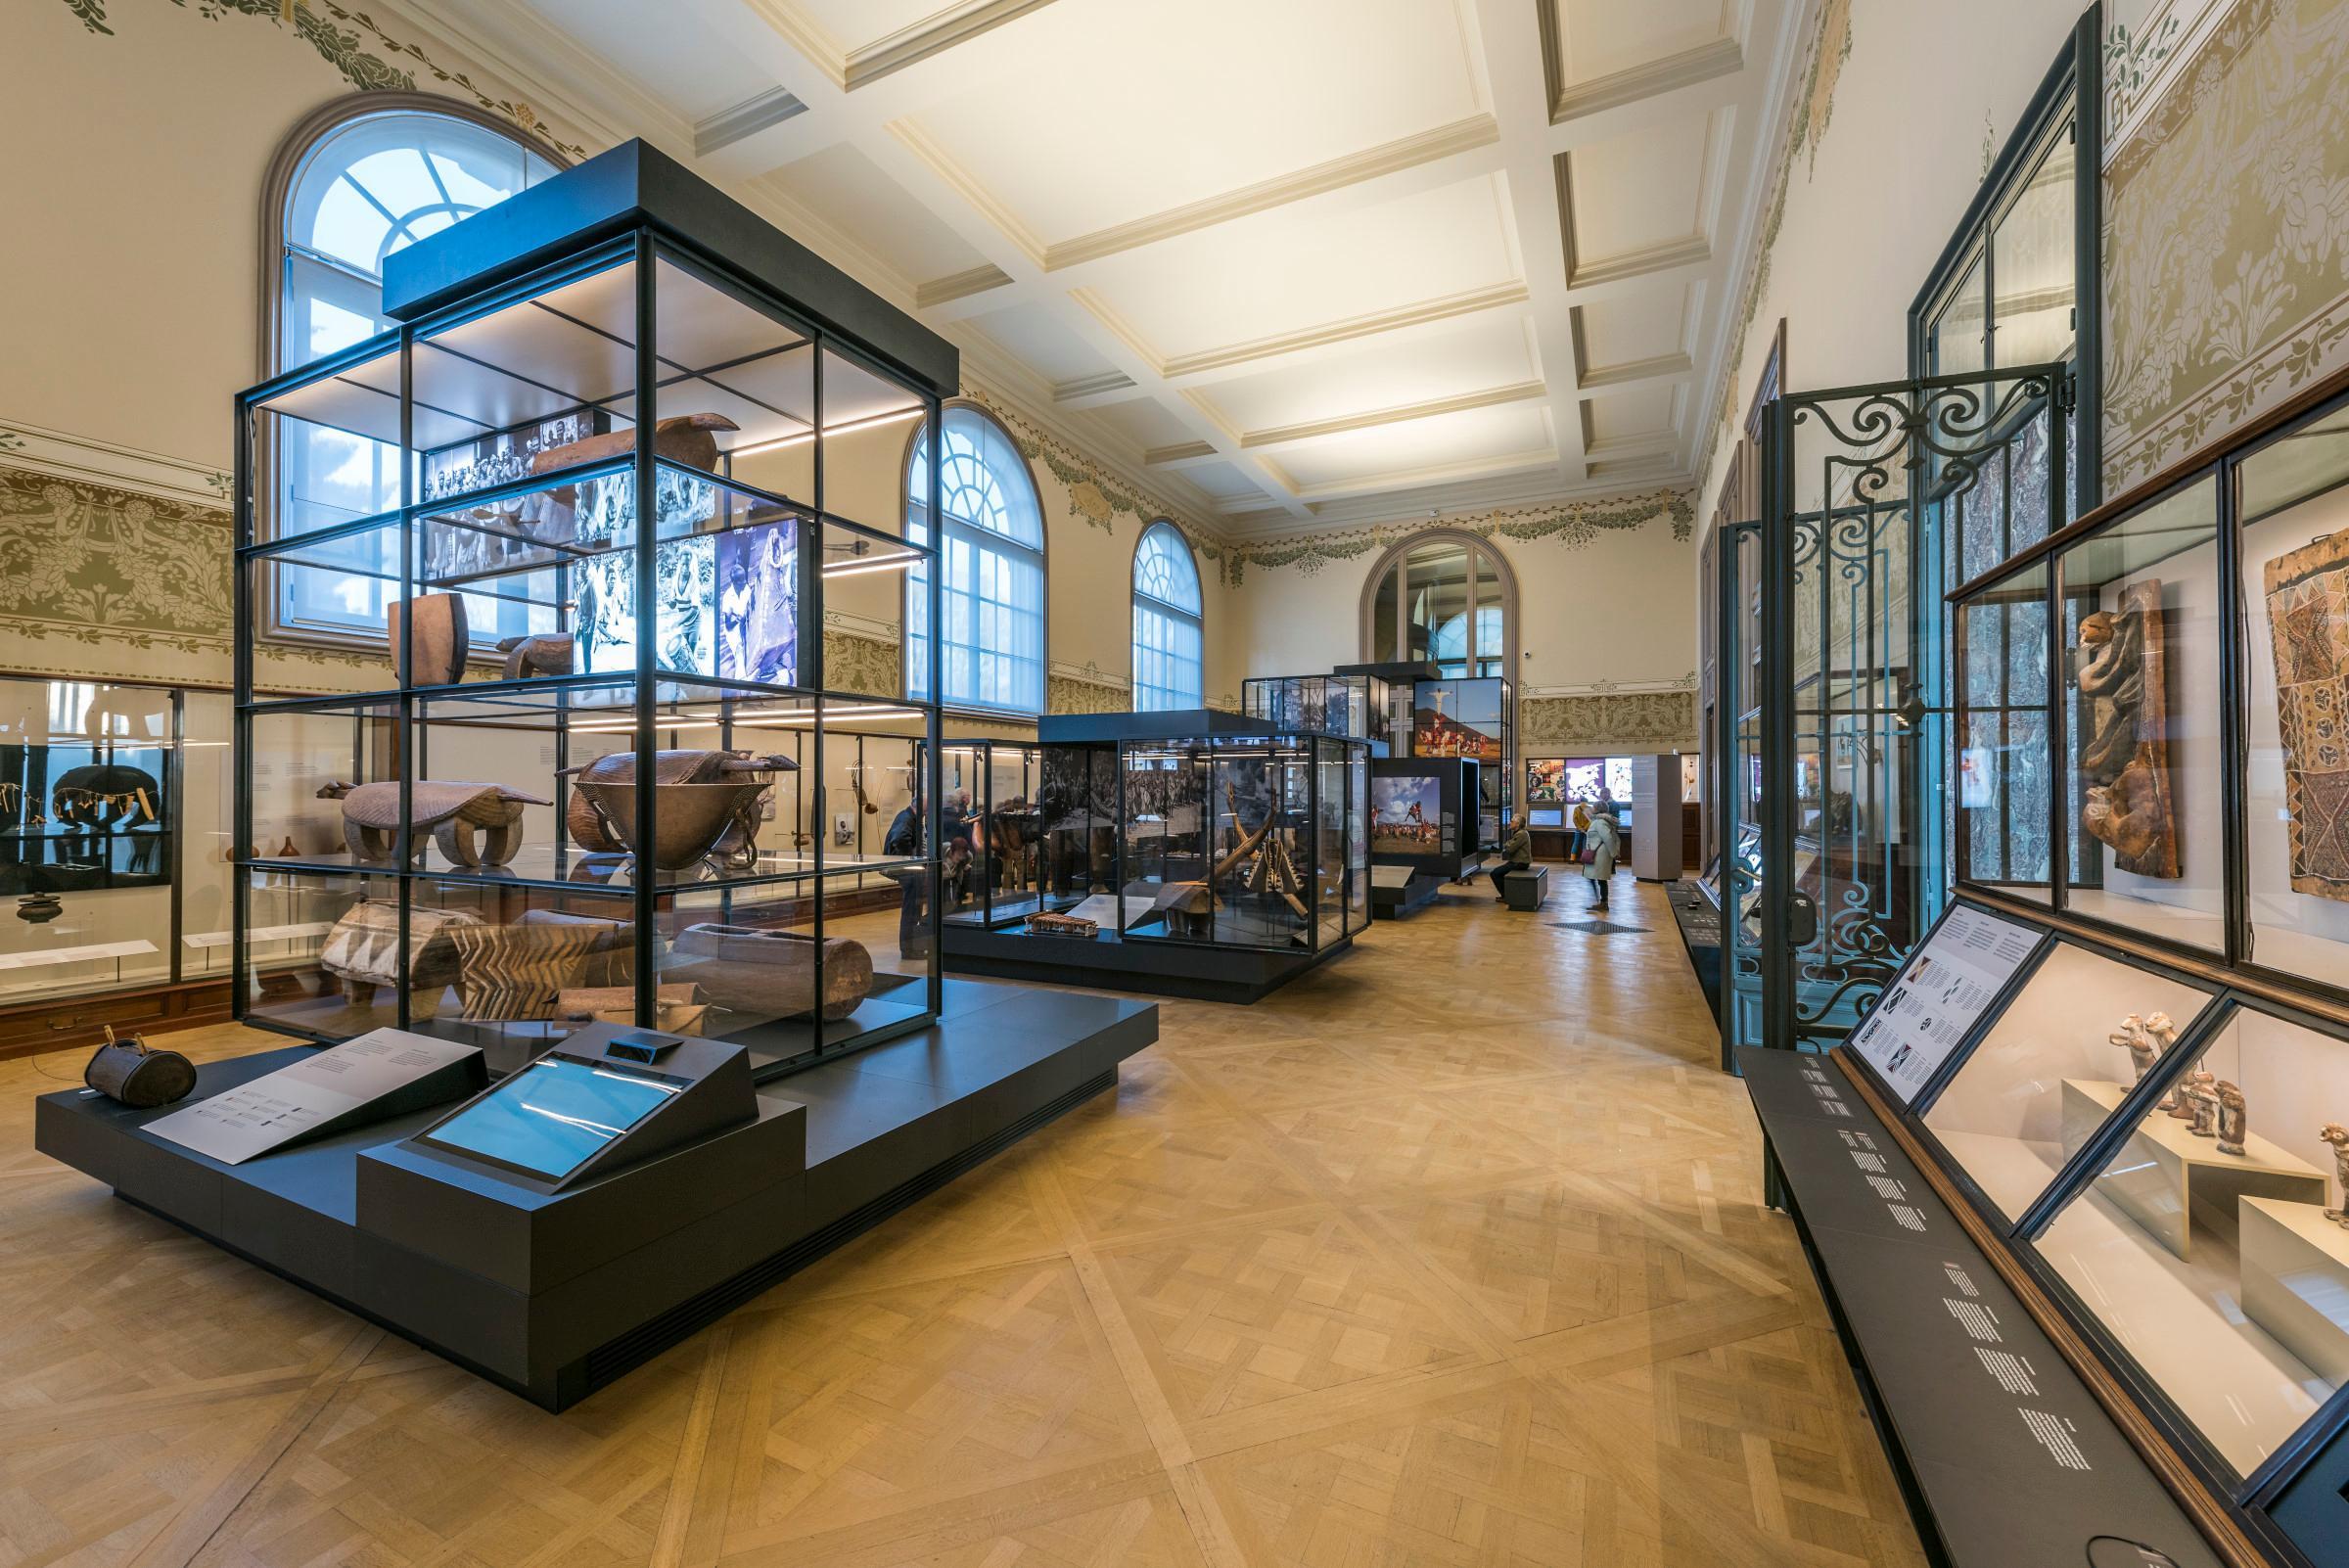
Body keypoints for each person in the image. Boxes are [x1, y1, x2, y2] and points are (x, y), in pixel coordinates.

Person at [1485, 810, 1532, 903]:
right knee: (1498, 872)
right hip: (1517, 861)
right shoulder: (1519, 832)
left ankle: (1506, 896)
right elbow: (1509, 844)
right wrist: (1507, 844)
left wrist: (1507, 845)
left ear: (1517, 824)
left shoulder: (1521, 834)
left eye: (1512, 821)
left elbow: (1510, 848)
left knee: (1495, 873)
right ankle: (1507, 894)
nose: (1510, 823)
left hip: (1519, 863)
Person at [1583, 801, 1622, 909]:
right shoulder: (1600, 821)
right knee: (1599, 878)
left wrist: (1614, 853)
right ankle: (1602, 902)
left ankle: (1604, 903)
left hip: (1599, 854)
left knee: (1601, 879)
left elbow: (1608, 838)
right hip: (1598, 853)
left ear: (1597, 809)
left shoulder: (1600, 822)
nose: (1592, 809)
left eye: (1594, 807)